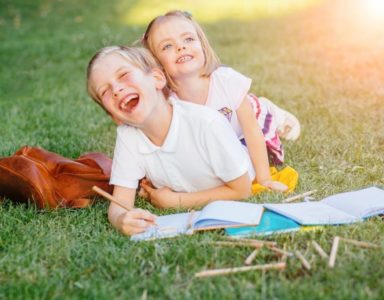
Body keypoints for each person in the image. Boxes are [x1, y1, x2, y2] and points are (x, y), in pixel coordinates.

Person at [87, 46, 257, 235]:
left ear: (157, 79)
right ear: (114, 117)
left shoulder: (207, 123)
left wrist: (175, 201)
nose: (116, 90)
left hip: (236, 149)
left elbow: (242, 190)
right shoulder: (127, 135)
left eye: (124, 75)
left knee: (260, 116)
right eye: (105, 92)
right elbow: (120, 204)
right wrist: (121, 220)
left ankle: (266, 109)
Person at [141, 10, 301, 192]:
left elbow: (251, 131)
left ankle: (272, 112)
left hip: (245, 125)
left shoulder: (227, 81)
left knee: (251, 151)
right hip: (218, 139)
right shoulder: (168, 103)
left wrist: (264, 179)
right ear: (156, 63)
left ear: (202, 44)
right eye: (167, 46)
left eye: (188, 39)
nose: (180, 47)